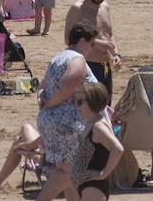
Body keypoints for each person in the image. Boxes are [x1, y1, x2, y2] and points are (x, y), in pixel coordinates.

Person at [36, 23, 101, 201]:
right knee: (69, 173)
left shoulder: (58, 58)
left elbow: (42, 86)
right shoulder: (77, 59)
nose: (92, 48)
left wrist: (43, 100)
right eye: (92, 43)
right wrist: (51, 103)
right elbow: (67, 85)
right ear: (82, 41)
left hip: (52, 122)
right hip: (69, 123)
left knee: (67, 172)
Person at [64, 0, 118, 98]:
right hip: (87, 66)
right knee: (89, 106)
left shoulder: (105, 7)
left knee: (105, 105)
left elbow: (109, 34)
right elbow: (68, 39)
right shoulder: (78, 9)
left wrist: (116, 54)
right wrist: (97, 43)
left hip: (105, 67)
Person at [74, 83, 124, 201]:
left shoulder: (98, 126)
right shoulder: (91, 123)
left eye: (80, 102)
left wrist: (103, 174)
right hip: (86, 185)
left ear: (91, 102)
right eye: (75, 101)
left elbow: (118, 149)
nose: (76, 106)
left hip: (94, 187)